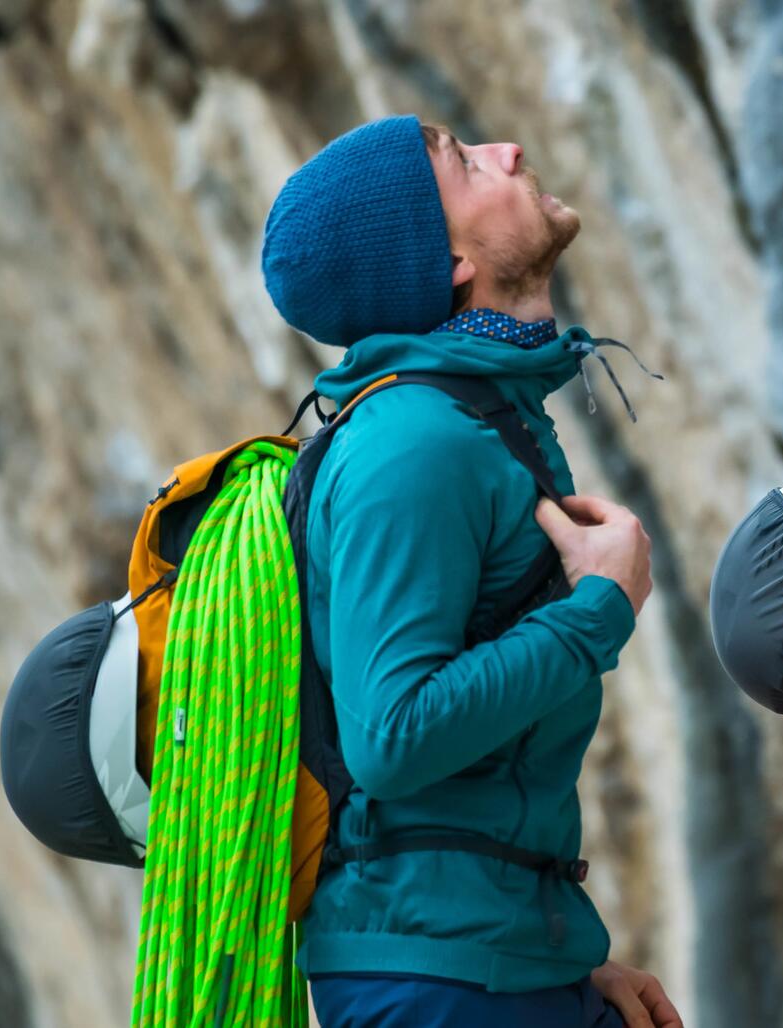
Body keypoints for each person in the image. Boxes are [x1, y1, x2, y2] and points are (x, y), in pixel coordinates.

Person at [260, 115, 681, 1028]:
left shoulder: (469, 416)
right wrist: (598, 609)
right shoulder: (413, 443)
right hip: (435, 984)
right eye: (464, 161)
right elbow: (395, 735)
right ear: (448, 263)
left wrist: (566, 967)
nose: (509, 151)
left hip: (484, 967)